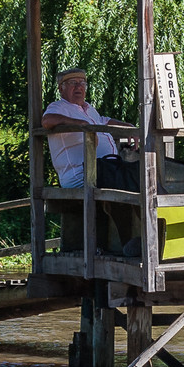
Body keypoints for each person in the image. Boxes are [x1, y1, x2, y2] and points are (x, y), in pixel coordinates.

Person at [42, 68, 140, 253]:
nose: (79, 87)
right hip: (80, 173)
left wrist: (129, 127)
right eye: (73, 83)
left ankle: (140, 238)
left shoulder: (89, 109)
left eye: (82, 83)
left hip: (104, 168)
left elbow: (104, 120)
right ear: (62, 88)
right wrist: (81, 125)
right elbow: (47, 120)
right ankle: (129, 243)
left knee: (139, 174)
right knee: (127, 183)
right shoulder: (59, 107)